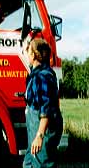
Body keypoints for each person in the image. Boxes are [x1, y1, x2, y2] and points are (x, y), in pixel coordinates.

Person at [23, 38, 63, 168]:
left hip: (42, 128)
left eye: (28, 51)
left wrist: (39, 135)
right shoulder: (38, 73)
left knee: (42, 163)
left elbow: (45, 109)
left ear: (34, 55)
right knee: (29, 163)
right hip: (34, 128)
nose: (26, 53)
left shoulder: (42, 77)